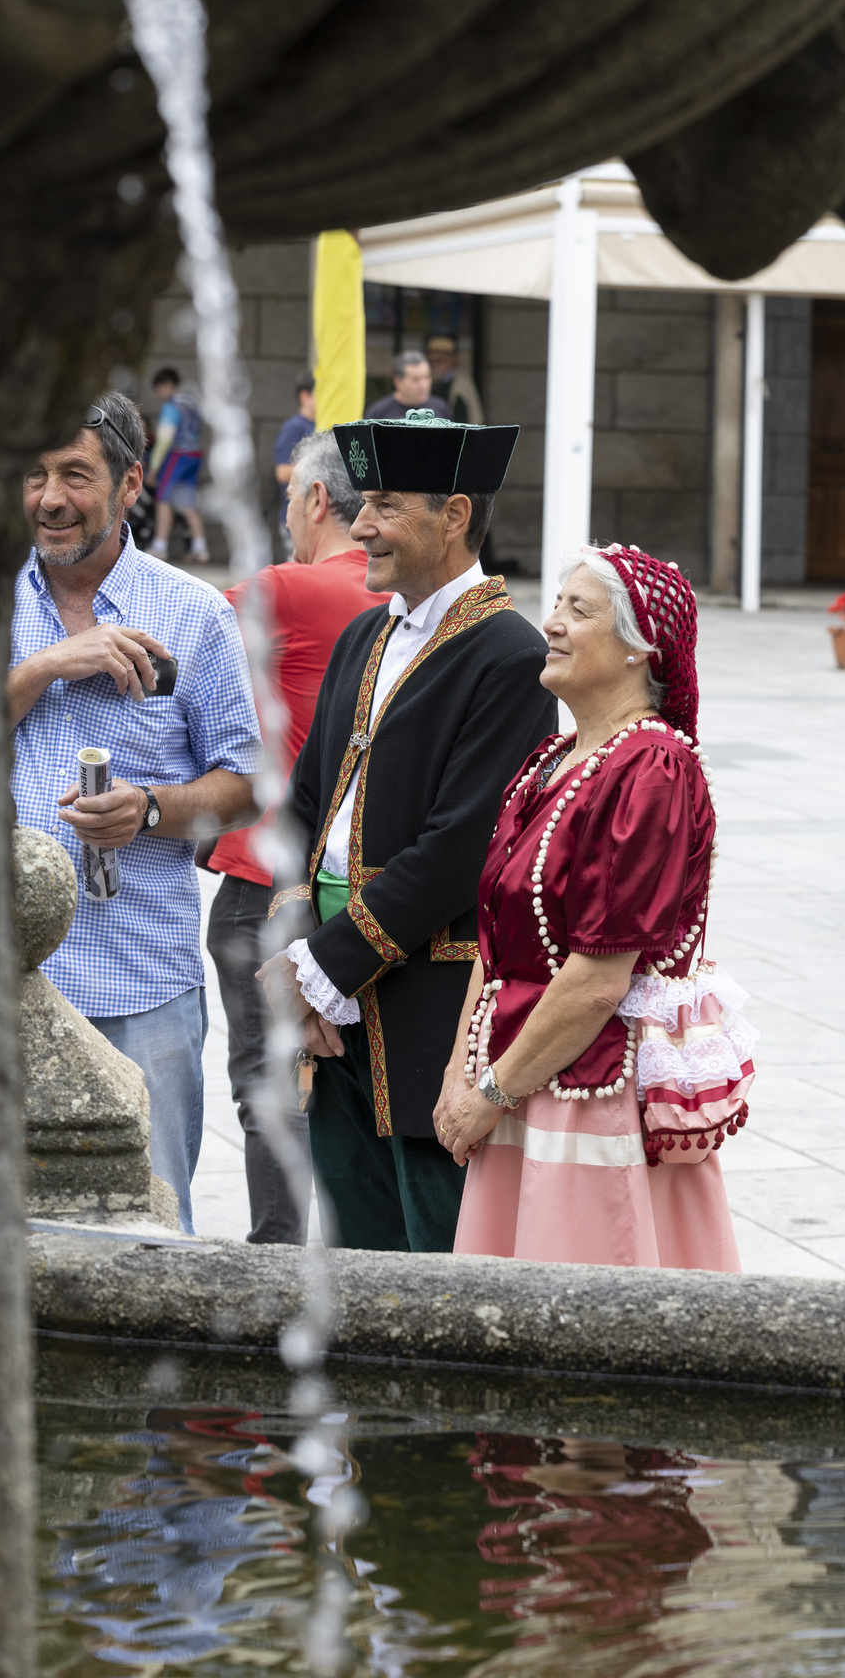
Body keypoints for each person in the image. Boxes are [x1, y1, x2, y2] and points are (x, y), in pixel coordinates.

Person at [257, 408, 556, 1254]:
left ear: (453, 515)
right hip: (330, 1004)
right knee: (350, 1264)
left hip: (425, 1010)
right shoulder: (366, 630)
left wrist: (321, 966)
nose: (360, 527)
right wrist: (300, 943)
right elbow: (306, 796)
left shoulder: (509, 656)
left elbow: (459, 851)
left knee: (434, 1269)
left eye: (385, 505)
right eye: (361, 505)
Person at [442, 545, 757, 1272]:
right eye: (556, 603)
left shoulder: (652, 766)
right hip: (519, 1079)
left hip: (589, 1095)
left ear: (639, 650)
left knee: (583, 1308)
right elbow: (494, 945)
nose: (551, 622)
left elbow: (597, 979)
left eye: (578, 610)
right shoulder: (549, 760)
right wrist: (463, 1073)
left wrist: (489, 1090)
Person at [9, 391, 262, 1232]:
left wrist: (150, 811)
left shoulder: (193, 614)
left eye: (75, 475)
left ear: (129, 485)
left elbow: (247, 782)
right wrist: (43, 667)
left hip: (143, 984)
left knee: (152, 1234)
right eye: (35, 475)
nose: (49, 497)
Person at [205, 432, 377, 1241]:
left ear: (316, 501)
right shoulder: (401, 596)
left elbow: (174, 644)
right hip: (362, 882)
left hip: (268, 877)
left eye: (288, 504)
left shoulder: (288, 588)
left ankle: (275, 1258)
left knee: (268, 1086)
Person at [146, 366, 210, 565]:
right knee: (187, 502)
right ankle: (200, 549)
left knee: (163, 498)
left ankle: (160, 546)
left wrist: (153, 469)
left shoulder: (171, 406)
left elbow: (165, 440)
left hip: (178, 455)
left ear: (167, 385)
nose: (159, 394)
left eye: (159, 388)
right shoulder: (191, 403)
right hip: (195, 454)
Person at [273, 373, 317, 523]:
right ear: (305, 396)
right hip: (296, 517)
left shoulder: (320, 425)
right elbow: (282, 472)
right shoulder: (294, 427)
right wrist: (318, 465)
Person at [364, 350, 451, 420]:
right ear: (397, 381)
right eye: (415, 379)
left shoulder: (441, 408)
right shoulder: (378, 413)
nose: (423, 385)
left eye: (426, 377)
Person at [426, 334, 485, 424]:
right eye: (431, 361)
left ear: (451, 361)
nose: (434, 365)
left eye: (439, 361)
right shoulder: (433, 382)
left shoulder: (461, 384)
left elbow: (464, 420)